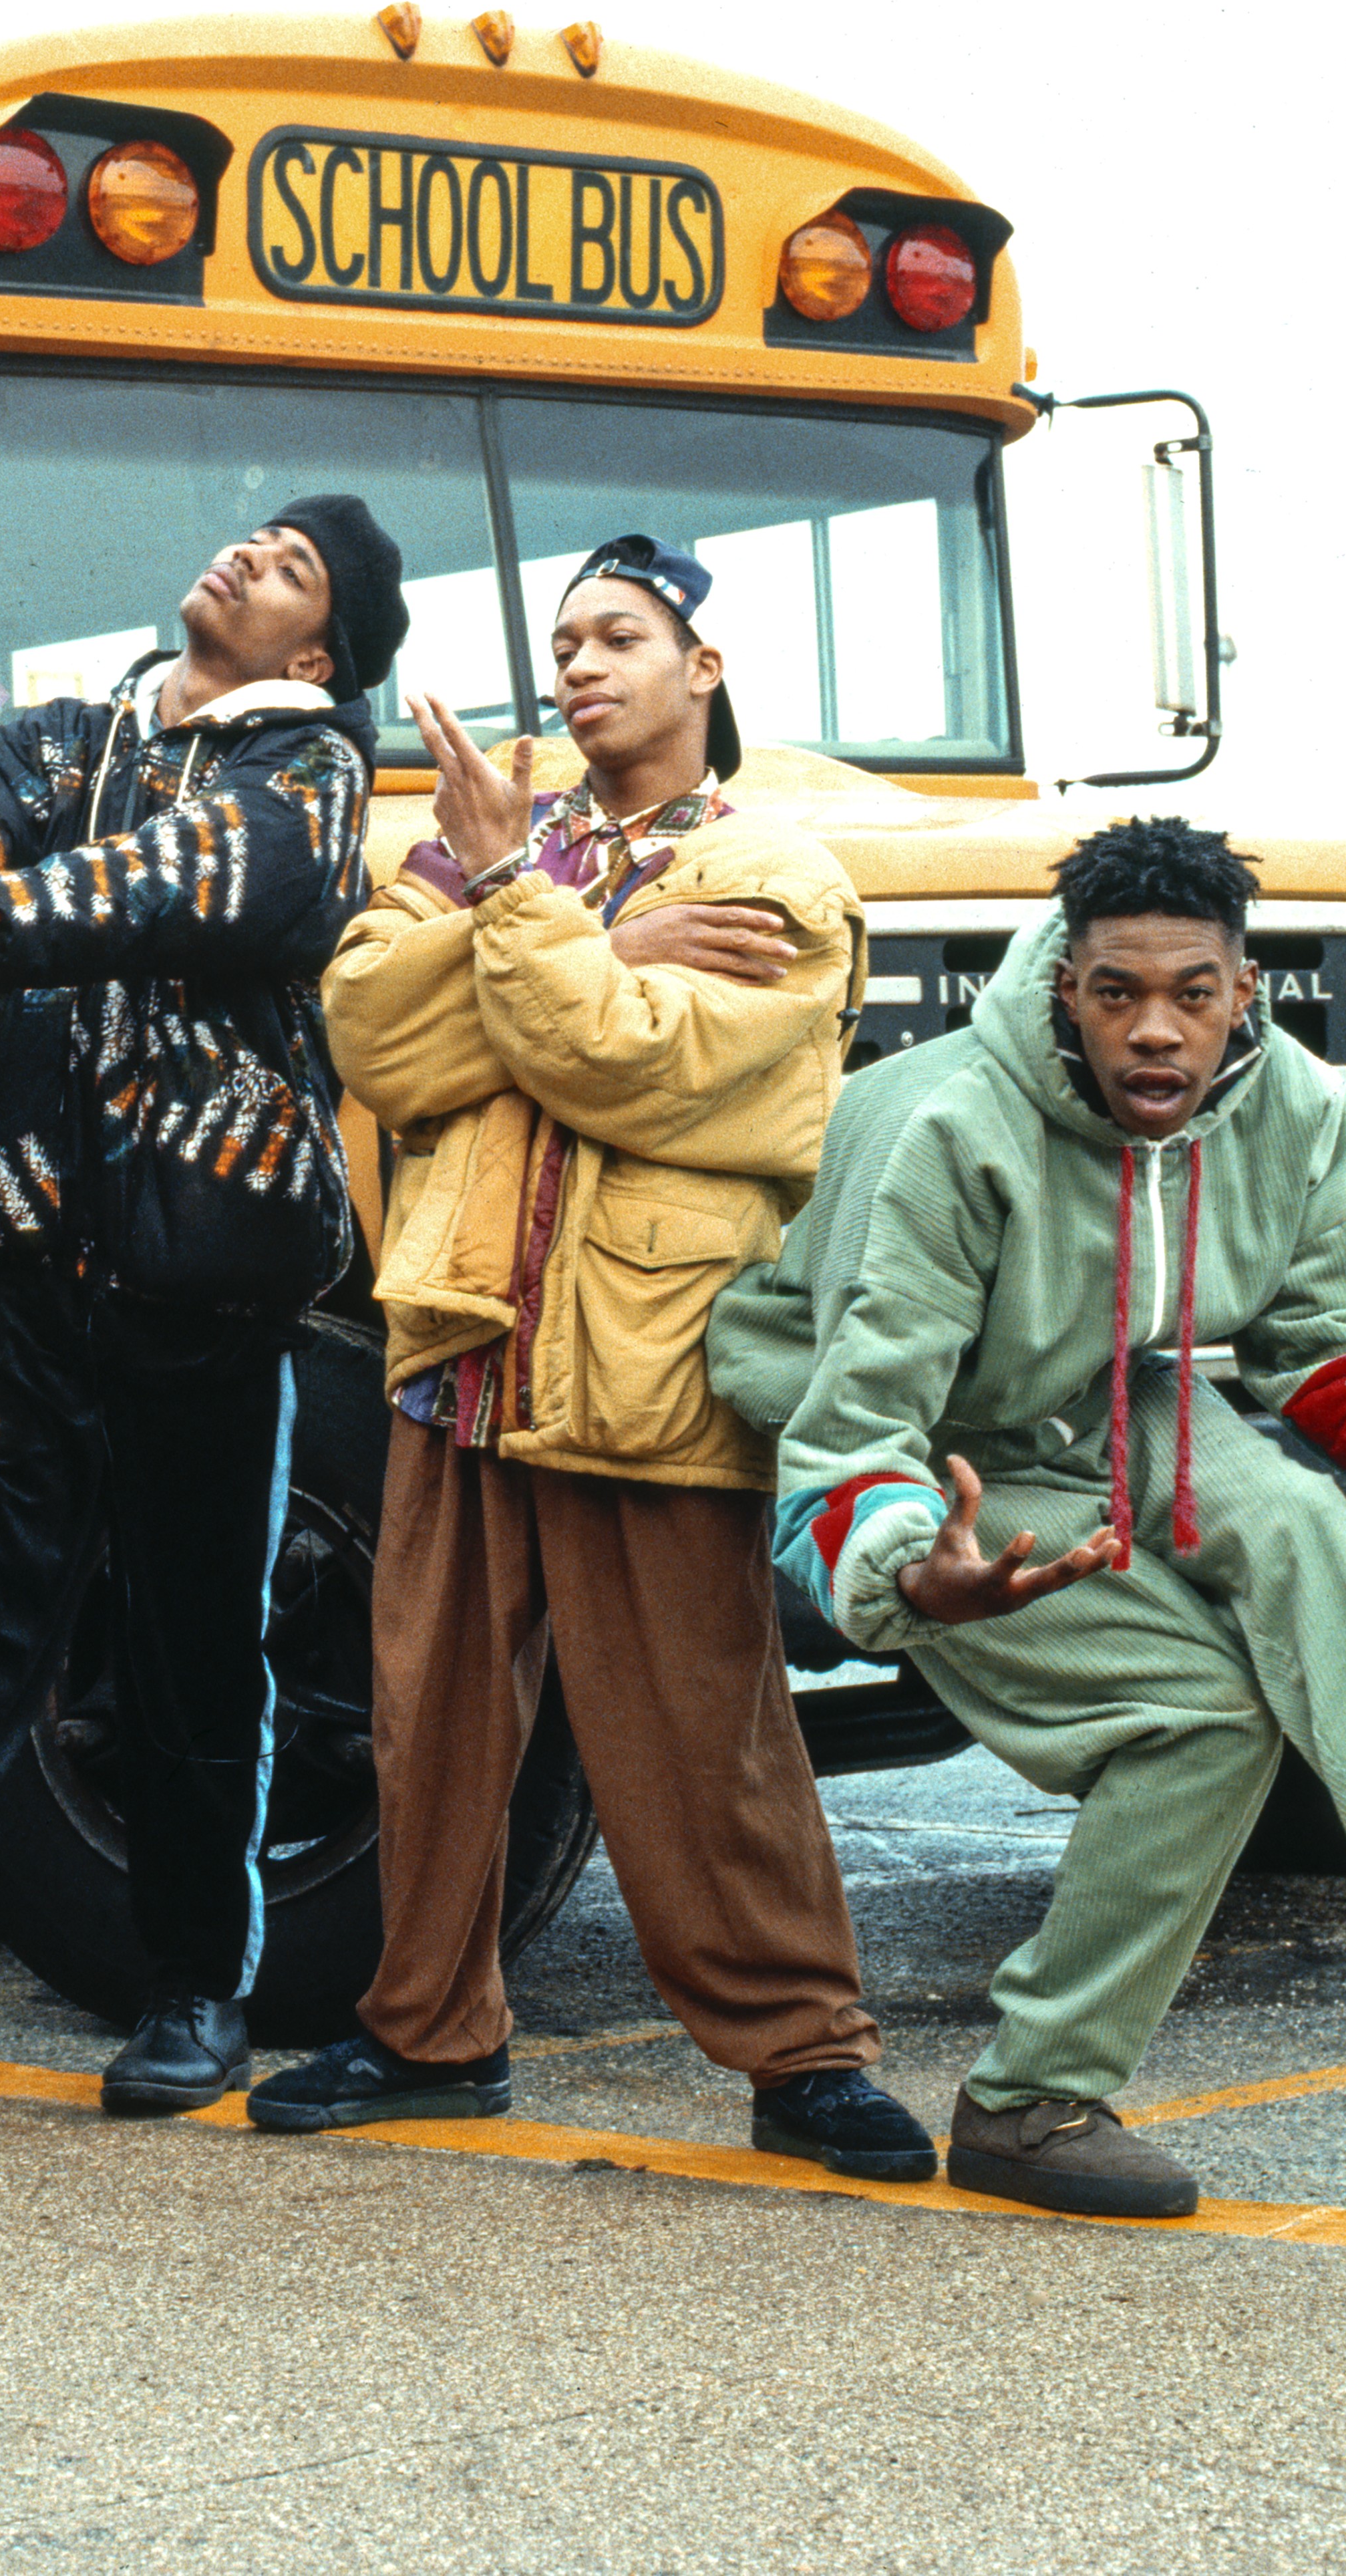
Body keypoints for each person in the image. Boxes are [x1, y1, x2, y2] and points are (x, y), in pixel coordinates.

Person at [707, 815, 1346, 2217]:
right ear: (1067, 990)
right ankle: (1033, 2100)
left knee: (1297, 1518)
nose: (1154, 1032)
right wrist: (902, 1576)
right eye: (1117, 995)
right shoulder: (951, 1127)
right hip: (944, 1447)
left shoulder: (1287, 1105)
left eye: (1192, 993)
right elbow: (849, 1429)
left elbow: (1338, 1346)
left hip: (1120, 1394)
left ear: (1248, 992)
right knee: (1206, 1720)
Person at [248, 536, 934, 2178]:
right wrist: (584, 939)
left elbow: (634, 1071)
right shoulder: (508, 849)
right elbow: (375, 1042)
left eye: (621, 636)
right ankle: (429, 2034)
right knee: (430, 1717)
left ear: (705, 671)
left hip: (650, 1353)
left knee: (701, 1724)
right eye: (563, 642)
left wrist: (520, 928)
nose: (579, 667)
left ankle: (803, 2054)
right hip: (467, 1342)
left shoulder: (776, 873)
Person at [0, 496, 405, 2115]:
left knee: (202, 1647)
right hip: (31, 1254)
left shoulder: (311, 770)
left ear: (319, 650)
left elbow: (208, 885)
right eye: (250, 538)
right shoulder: (59, 742)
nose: (247, 559)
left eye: (292, 568)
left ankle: (197, 1993)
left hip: (208, 1273)